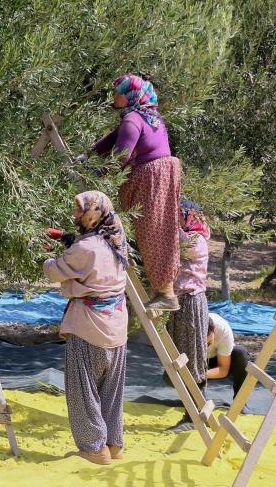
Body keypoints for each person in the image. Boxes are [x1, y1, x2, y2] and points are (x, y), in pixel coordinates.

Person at [79, 73, 182, 311]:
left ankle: (165, 294)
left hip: (150, 180)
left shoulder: (133, 119)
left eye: (118, 92)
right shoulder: (150, 116)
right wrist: (90, 153)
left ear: (129, 96)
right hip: (164, 176)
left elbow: (120, 156)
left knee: (152, 234)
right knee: (163, 232)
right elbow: (113, 139)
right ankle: (165, 291)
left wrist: (98, 176)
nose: (114, 96)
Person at [43, 191, 129, 465]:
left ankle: (94, 449)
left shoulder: (85, 248)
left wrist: (45, 257)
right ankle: (113, 444)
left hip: (89, 327)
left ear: (92, 214)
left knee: (83, 391)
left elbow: (55, 270)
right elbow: (94, 260)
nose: (75, 216)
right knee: (111, 390)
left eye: (79, 211)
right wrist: (71, 239)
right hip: (116, 326)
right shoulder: (115, 237)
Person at [166, 200, 211, 432]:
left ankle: (192, 417)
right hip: (182, 301)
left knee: (192, 356)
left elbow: (179, 243)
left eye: (181, 216)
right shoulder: (190, 236)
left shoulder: (196, 239)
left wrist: (163, 221)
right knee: (183, 354)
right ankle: (191, 412)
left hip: (191, 302)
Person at [207, 313, 250, 397]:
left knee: (240, 352)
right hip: (198, 362)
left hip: (220, 361)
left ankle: (240, 401)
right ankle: (195, 399)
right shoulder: (186, 331)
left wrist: (200, 374)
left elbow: (223, 370)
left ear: (214, 330)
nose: (205, 347)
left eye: (208, 343)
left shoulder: (222, 328)